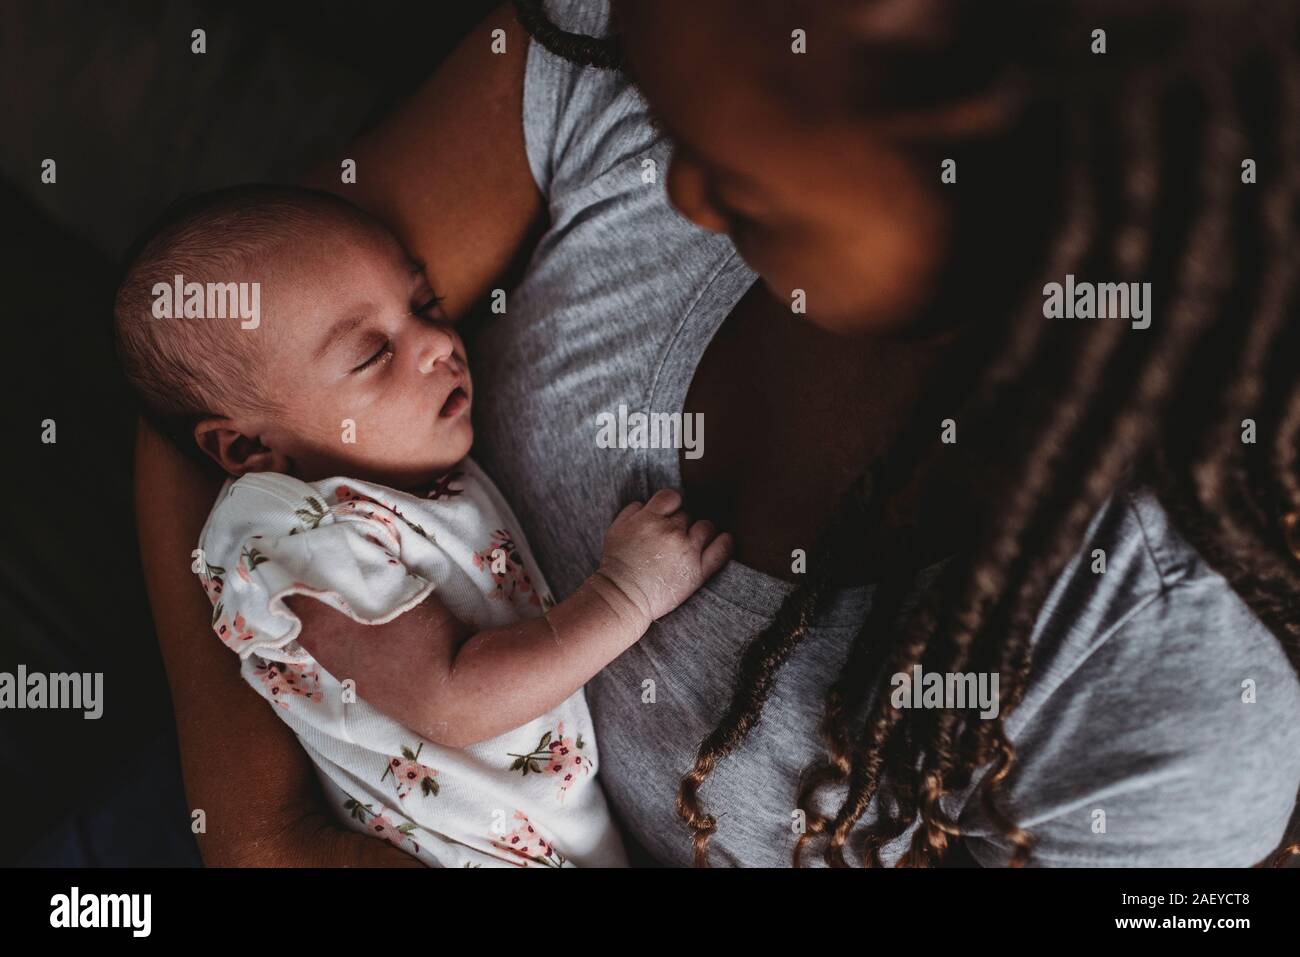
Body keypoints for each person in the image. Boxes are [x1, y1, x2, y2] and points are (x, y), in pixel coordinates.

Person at [134, 0, 1300, 867]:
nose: (682, 195)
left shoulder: (1161, 690)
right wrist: (262, 838)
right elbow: (220, 372)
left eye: (738, 176)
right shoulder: (654, 28)